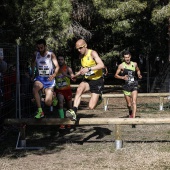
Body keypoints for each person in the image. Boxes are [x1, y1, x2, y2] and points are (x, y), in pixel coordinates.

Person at [66, 39, 105, 121]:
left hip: (97, 80)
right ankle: (74, 111)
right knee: (79, 89)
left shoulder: (92, 53)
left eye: (80, 48)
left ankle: (99, 98)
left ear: (85, 45)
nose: (79, 50)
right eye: (77, 49)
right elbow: (83, 69)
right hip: (87, 80)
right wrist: (76, 75)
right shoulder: (81, 56)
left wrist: (89, 69)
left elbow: (101, 65)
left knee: (91, 107)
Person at [31, 39, 59, 119]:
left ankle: (53, 97)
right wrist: (32, 74)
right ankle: (40, 111)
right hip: (40, 78)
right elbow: (32, 63)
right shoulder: (36, 54)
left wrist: (54, 75)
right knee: (35, 88)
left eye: (41, 48)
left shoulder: (51, 55)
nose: (40, 50)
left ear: (45, 46)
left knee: (48, 103)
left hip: (49, 80)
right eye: (38, 48)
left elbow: (57, 67)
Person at [114, 51, 142, 119]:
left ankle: (133, 119)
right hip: (126, 86)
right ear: (124, 58)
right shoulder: (121, 66)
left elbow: (138, 70)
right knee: (129, 105)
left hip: (134, 84)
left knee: (134, 102)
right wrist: (122, 77)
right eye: (125, 57)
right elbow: (115, 75)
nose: (127, 59)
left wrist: (139, 74)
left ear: (130, 57)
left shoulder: (134, 64)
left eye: (128, 57)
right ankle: (130, 111)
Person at [55, 55, 76, 129]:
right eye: (59, 59)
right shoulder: (55, 69)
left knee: (69, 106)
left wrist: (66, 75)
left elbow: (74, 79)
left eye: (62, 59)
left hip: (67, 90)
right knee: (60, 103)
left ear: (64, 60)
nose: (60, 61)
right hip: (59, 90)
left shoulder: (68, 68)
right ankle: (62, 122)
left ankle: (69, 121)